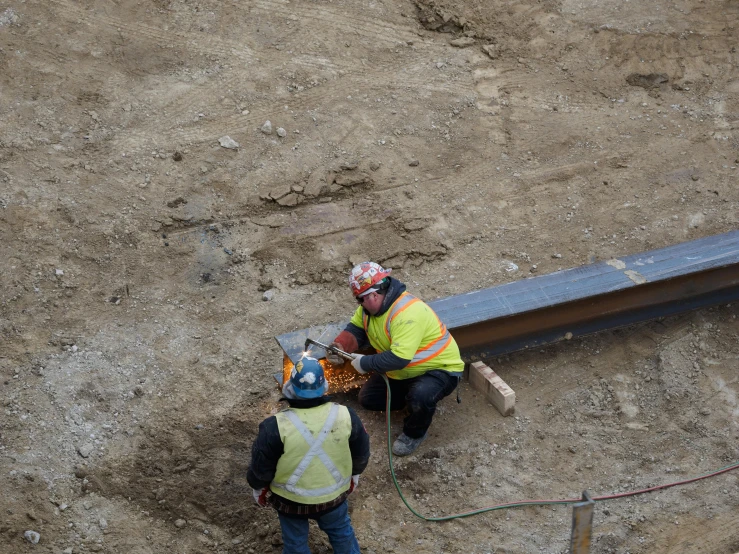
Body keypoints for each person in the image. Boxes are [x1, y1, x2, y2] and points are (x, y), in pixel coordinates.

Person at [327, 262, 464, 456]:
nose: (359, 304)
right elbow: (356, 329)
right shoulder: (368, 310)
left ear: (373, 294)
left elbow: (399, 358)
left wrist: (365, 363)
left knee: (421, 396)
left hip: (438, 370)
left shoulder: (407, 313)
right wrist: (340, 346)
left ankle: (415, 432)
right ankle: (415, 402)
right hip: (403, 372)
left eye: (360, 299)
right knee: (368, 399)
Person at [247, 357, 370, 554]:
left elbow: (262, 468)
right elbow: (361, 452)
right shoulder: (346, 415)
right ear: (324, 387)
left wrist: (258, 488)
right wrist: (355, 475)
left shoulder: (274, 426)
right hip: (334, 498)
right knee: (342, 533)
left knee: (295, 543)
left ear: (291, 387)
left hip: (291, 502)